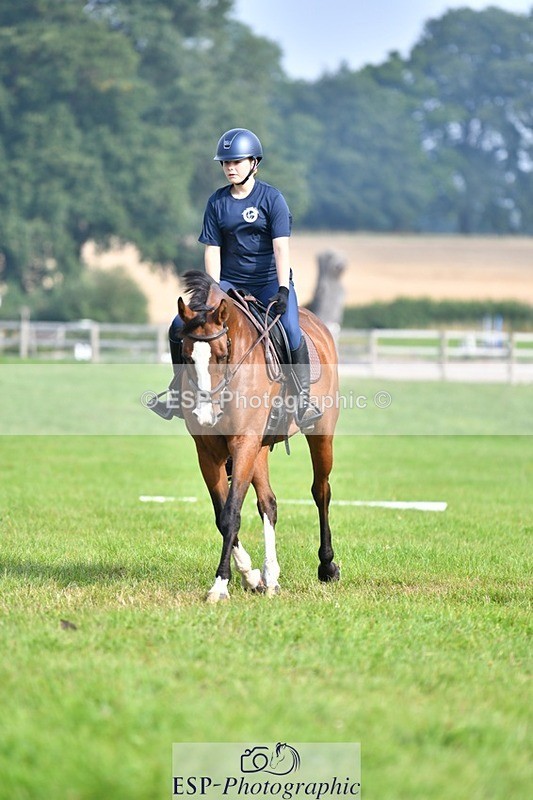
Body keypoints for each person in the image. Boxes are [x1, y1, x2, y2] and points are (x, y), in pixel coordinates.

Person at [150, 127, 322, 430]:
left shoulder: (272, 199)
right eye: (226, 163)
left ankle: (303, 401)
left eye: (236, 162)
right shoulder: (217, 203)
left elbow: (281, 247)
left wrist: (283, 288)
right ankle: (178, 394)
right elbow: (212, 250)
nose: (230, 168)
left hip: (270, 282)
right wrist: (213, 291)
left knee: (292, 331)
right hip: (228, 284)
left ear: (254, 163)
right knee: (179, 325)